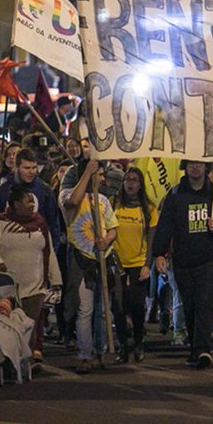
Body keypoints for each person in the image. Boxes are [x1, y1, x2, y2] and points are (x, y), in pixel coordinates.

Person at [153, 161, 213, 370]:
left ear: (206, 167)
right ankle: (194, 349)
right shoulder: (176, 195)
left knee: (204, 304)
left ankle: (202, 350)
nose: (195, 168)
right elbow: (165, 225)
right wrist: (159, 253)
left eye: (199, 164)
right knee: (189, 306)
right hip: (184, 260)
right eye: (191, 165)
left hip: (211, 259)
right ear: (185, 167)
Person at [0, 186, 62, 368]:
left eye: (32, 200)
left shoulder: (40, 224)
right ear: (16, 204)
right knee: (7, 324)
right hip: (7, 288)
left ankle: (24, 362)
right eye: (28, 200)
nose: (32, 203)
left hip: (34, 286)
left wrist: (56, 280)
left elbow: (48, 253)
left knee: (29, 325)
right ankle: (7, 360)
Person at [60, 159, 119, 374]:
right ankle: (85, 354)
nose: (103, 179)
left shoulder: (102, 200)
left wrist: (108, 239)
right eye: (99, 175)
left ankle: (102, 350)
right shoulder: (67, 194)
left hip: (102, 259)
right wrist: (87, 172)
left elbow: (112, 227)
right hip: (81, 260)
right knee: (85, 310)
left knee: (103, 311)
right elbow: (72, 204)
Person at [110, 167, 157, 363]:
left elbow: (152, 240)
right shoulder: (114, 204)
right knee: (119, 306)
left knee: (138, 305)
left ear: (141, 184)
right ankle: (122, 345)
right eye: (127, 180)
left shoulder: (149, 209)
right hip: (117, 261)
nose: (130, 183)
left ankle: (138, 340)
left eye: (135, 180)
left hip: (138, 262)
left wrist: (148, 265)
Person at [0, 147, 63, 258]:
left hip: (37, 252)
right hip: (9, 251)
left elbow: (53, 224)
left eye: (34, 168)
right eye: (26, 168)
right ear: (16, 167)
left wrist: (52, 252)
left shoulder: (45, 191)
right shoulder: (2, 191)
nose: (31, 172)